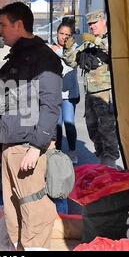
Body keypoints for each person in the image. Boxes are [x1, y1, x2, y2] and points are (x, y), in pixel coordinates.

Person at [0, 2, 62, 250]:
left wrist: (36, 146)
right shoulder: (14, 59)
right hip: (11, 149)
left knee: (35, 219)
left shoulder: (45, 59)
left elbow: (51, 107)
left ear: (18, 25)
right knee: (14, 221)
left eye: (3, 25)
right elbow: (4, 106)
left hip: (29, 151)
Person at [63, 10, 120, 168]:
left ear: (103, 21)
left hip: (105, 92)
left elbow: (116, 52)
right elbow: (72, 62)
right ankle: (102, 160)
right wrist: (68, 48)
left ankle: (110, 164)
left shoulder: (111, 38)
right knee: (93, 130)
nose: (92, 26)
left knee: (107, 129)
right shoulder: (88, 42)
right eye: (89, 24)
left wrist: (96, 40)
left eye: (95, 23)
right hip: (90, 93)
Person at [49, 22, 80, 164]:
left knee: (69, 122)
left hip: (69, 94)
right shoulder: (49, 49)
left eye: (67, 35)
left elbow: (72, 61)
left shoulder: (75, 49)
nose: (64, 37)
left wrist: (62, 50)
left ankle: (72, 151)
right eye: (62, 33)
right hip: (55, 93)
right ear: (57, 33)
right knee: (57, 124)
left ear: (71, 36)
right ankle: (58, 152)